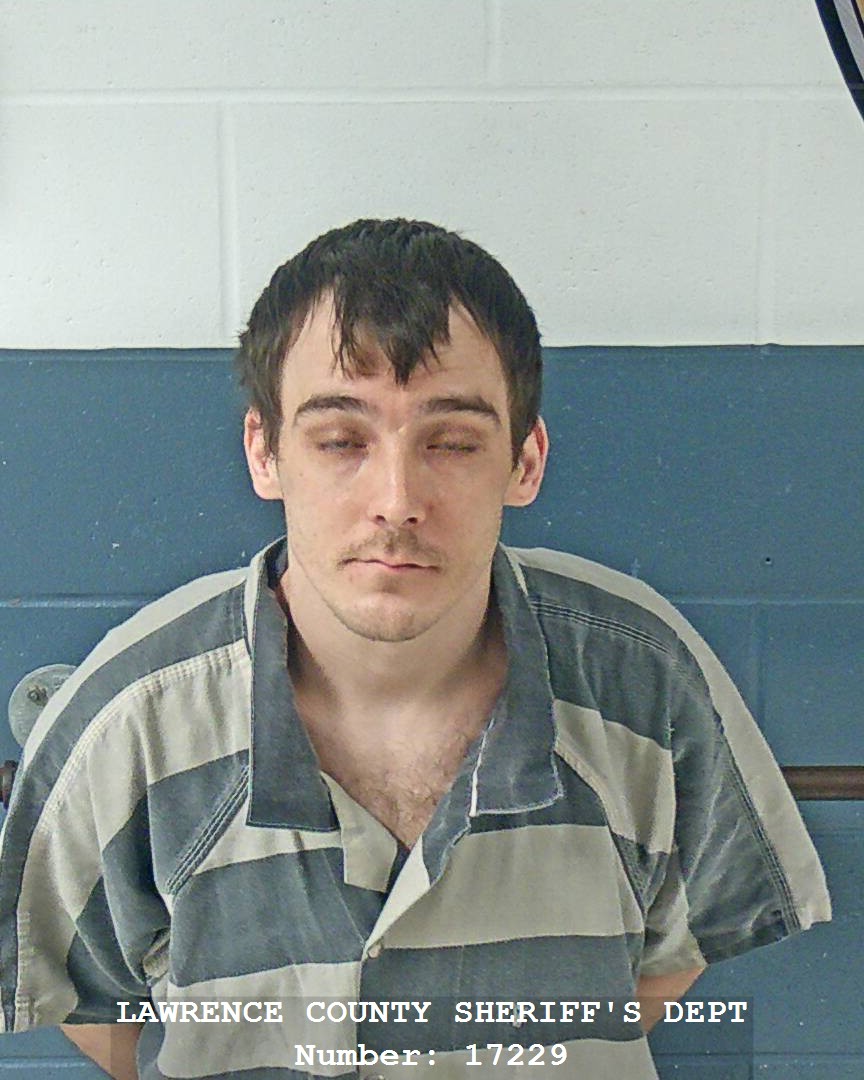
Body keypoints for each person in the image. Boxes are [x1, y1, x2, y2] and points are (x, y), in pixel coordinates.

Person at [0, 218, 830, 1080]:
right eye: (340, 440)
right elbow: (91, 1008)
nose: (396, 499)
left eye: (452, 442)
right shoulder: (128, 717)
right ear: (264, 453)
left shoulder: (645, 679)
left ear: (525, 461)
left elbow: (667, 965)